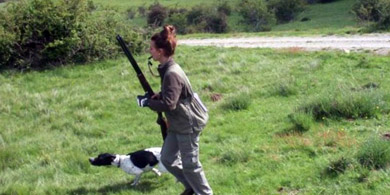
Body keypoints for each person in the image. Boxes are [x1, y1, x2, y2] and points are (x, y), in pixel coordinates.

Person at [136, 25, 213, 195]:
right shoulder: (167, 68)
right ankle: (192, 187)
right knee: (167, 159)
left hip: (187, 123)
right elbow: (172, 93)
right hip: (178, 122)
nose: (149, 50)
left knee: (191, 165)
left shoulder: (171, 72)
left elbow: (170, 104)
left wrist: (148, 102)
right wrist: (159, 95)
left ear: (160, 51)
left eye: (151, 48)